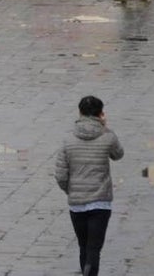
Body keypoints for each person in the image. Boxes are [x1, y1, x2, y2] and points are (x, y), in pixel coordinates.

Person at [54, 95, 124, 276]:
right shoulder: (107, 136)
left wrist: (71, 190)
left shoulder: (67, 140)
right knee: (94, 248)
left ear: (79, 113)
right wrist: (105, 127)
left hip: (77, 204)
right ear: (101, 114)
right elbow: (118, 154)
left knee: (83, 246)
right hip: (100, 202)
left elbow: (61, 175)